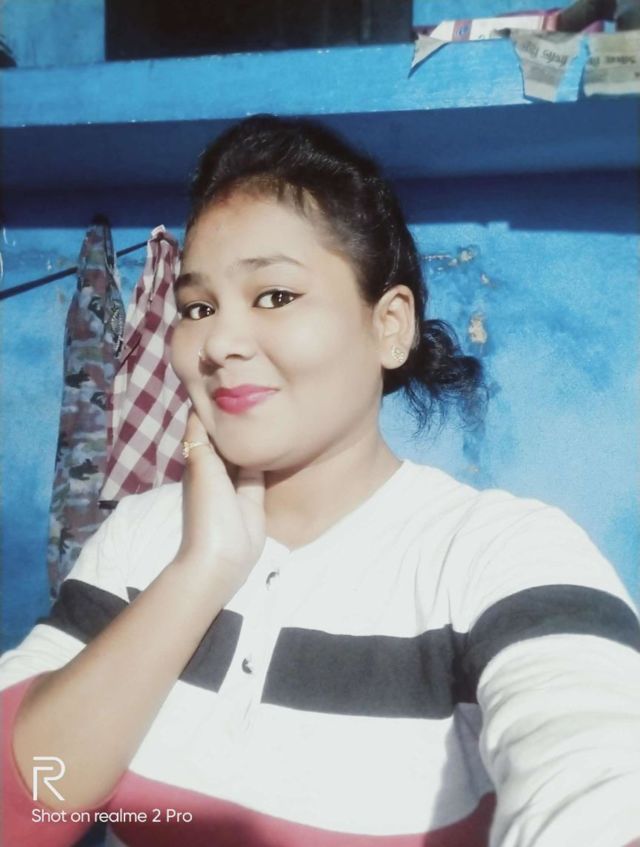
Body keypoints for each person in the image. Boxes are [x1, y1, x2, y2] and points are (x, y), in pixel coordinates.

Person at [1, 114, 639, 847]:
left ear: (389, 326)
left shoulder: (497, 555)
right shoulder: (139, 537)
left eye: (274, 295)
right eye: (198, 307)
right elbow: (23, 809)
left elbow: (598, 779)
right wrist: (201, 572)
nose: (220, 342)